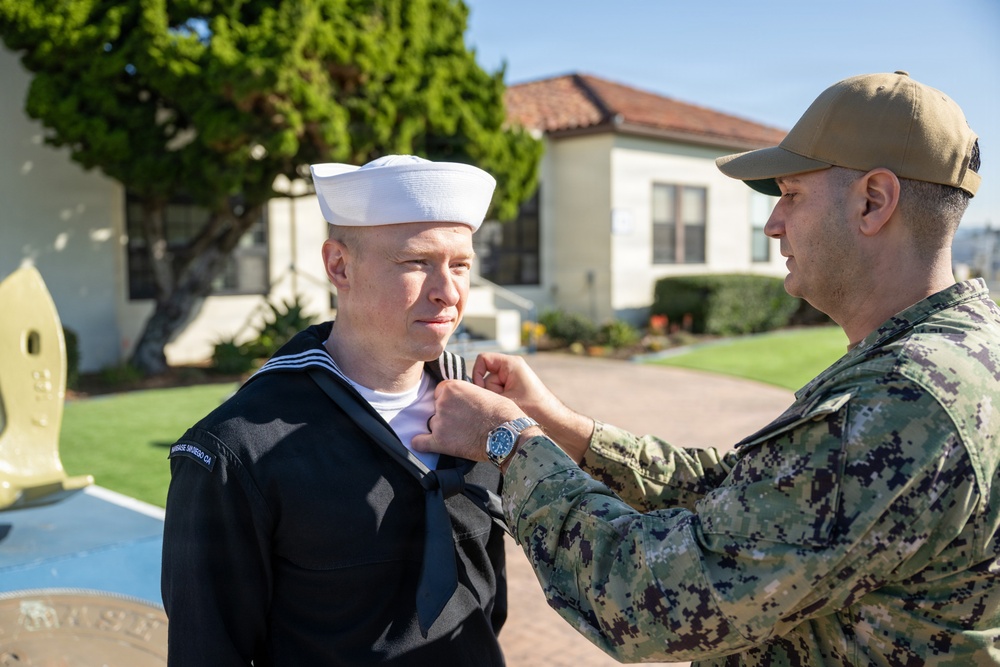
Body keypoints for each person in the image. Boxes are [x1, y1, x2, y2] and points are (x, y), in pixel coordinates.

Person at [413, 72, 1000, 664]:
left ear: (873, 201)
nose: (772, 223)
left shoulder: (903, 399)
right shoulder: (962, 355)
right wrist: (567, 431)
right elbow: (751, 499)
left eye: (792, 194)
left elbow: (652, 600)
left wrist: (509, 442)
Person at [161, 155, 509, 666]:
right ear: (339, 266)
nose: (448, 292)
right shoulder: (236, 450)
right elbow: (207, 652)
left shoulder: (483, 414)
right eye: (416, 262)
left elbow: (486, 606)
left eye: (460, 265)